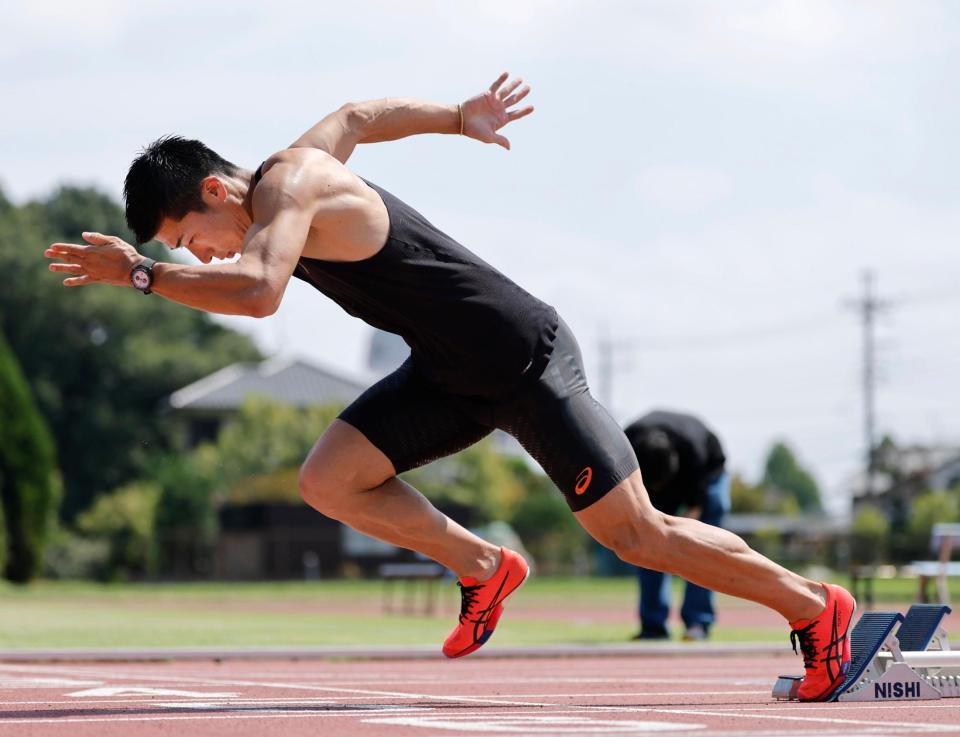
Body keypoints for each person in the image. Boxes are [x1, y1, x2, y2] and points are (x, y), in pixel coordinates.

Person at [45, 72, 855, 701]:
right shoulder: (288, 174)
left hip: (523, 357)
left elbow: (260, 290)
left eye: (194, 239)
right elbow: (358, 115)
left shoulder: (288, 189)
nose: (204, 256)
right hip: (445, 371)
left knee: (636, 534)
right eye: (186, 253)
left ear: (216, 192)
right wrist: (456, 118)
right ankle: (481, 564)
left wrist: (145, 276)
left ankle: (816, 608)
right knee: (329, 478)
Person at [625, 410, 729, 641]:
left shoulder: (694, 452)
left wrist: (679, 546)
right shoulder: (623, 446)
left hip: (709, 477)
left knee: (702, 548)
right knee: (646, 547)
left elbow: (694, 513)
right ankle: (653, 626)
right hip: (646, 485)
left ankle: (698, 622)